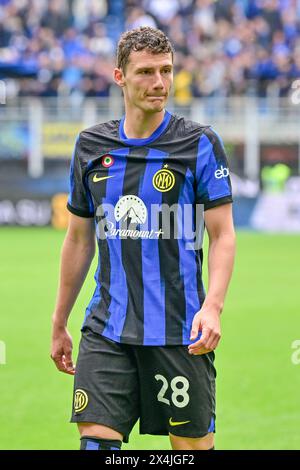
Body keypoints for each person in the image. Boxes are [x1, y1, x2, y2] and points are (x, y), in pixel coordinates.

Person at [51, 26, 236, 451]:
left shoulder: (199, 143)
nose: (159, 83)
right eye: (146, 72)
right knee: (95, 444)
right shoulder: (90, 146)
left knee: (189, 450)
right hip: (106, 329)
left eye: (166, 70)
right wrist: (59, 322)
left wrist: (213, 307)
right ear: (119, 76)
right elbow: (79, 239)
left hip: (180, 331)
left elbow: (223, 233)